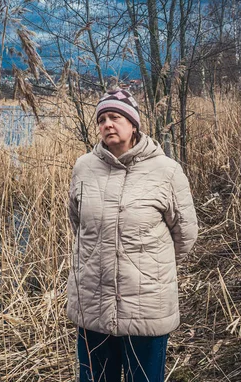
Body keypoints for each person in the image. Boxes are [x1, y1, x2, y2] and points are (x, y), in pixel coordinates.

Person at [67, 88, 198, 382]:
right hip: (93, 302)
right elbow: (78, 223)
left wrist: (149, 265)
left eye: (115, 117)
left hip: (147, 306)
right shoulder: (84, 167)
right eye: (102, 119)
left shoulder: (166, 171)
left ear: (133, 123)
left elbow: (185, 234)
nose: (107, 124)